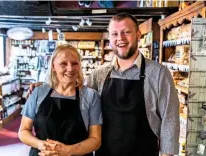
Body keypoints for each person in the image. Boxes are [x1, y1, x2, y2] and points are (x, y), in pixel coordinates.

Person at [27, 13, 180, 156]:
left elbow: (170, 119)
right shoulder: (99, 74)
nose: (120, 38)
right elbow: (74, 89)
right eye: (114, 34)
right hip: (105, 152)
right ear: (110, 38)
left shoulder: (159, 74)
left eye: (126, 32)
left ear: (138, 34)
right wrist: (47, 86)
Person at [19, 44, 102, 156]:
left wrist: (67, 150)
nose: (70, 69)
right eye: (63, 64)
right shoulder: (38, 92)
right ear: (53, 66)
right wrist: (41, 144)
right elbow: (23, 131)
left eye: (74, 63)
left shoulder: (91, 96)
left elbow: (95, 140)